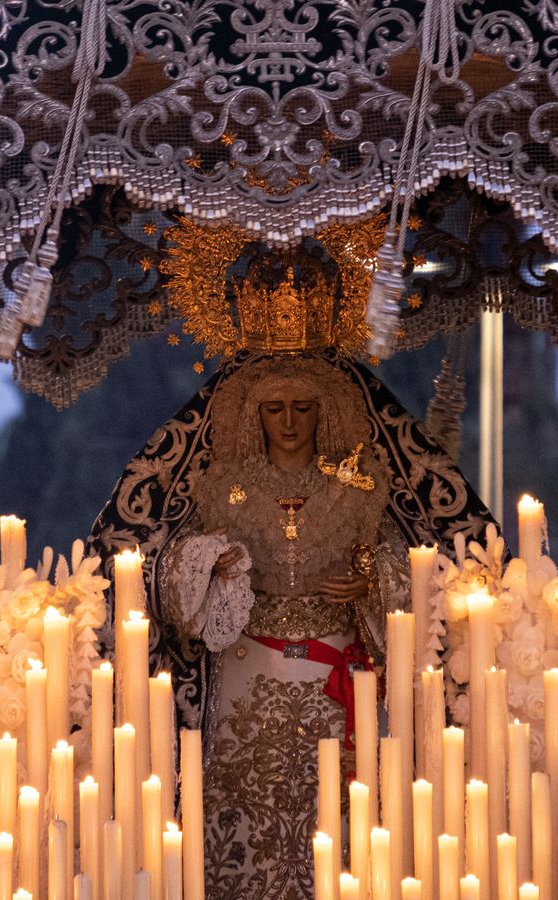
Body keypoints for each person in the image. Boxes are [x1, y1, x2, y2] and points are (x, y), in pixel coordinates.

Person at [89, 256, 492, 898]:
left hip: (338, 683)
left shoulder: (357, 490)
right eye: (273, 407)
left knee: (340, 830)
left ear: (324, 411)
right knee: (240, 833)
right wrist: (209, 566)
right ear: (253, 413)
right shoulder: (224, 489)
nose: (287, 421)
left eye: (302, 407)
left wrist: (371, 579)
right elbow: (157, 567)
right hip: (247, 675)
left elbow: (413, 564)